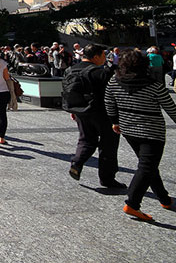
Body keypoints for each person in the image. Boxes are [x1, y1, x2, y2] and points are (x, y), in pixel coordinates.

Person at [105, 49, 176, 222]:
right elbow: (171, 108)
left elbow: (108, 102)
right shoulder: (153, 84)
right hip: (152, 132)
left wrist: (115, 121)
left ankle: (164, 199)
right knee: (147, 166)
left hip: (128, 130)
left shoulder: (114, 81)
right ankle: (132, 203)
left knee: (148, 165)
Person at [66, 44, 123, 188]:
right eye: (103, 56)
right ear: (96, 56)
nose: (105, 59)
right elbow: (111, 94)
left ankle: (77, 163)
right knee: (108, 145)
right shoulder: (99, 72)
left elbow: (70, 91)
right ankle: (107, 178)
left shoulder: (70, 70)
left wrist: (74, 109)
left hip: (80, 110)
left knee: (86, 139)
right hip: (101, 112)